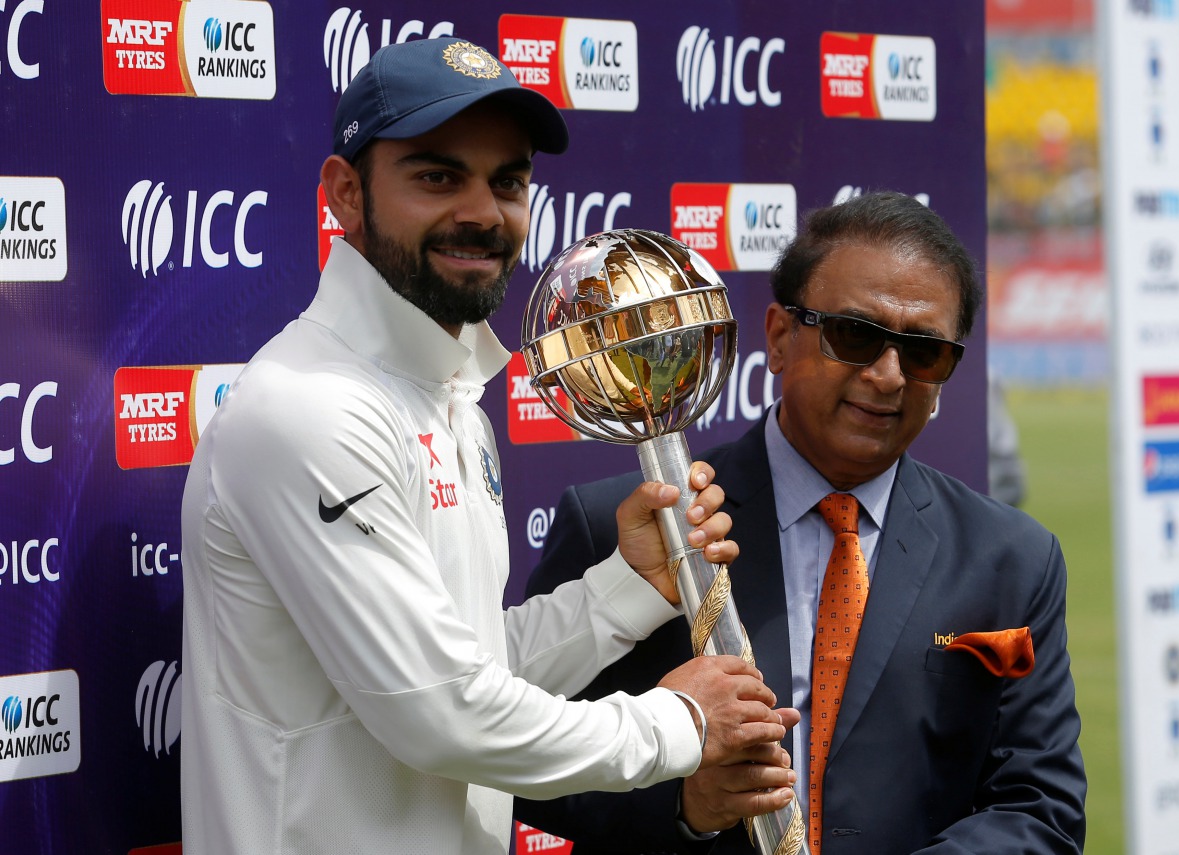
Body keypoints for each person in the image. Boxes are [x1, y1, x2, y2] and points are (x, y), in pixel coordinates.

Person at [178, 37, 798, 855]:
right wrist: (677, 720)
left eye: (506, 181)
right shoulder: (310, 408)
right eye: (437, 176)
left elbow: (467, 665)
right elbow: (444, 712)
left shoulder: (449, 393)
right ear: (344, 194)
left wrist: (627, 587)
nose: (481, 210)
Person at [517, 191, 1087, 854]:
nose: (887, 374)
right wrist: (683, 803)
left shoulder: (1010, 558)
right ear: (781, 337)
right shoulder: (636, 528)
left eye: (924, 351)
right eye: (855, 335)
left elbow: (1039, 804)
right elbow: (521, 755)